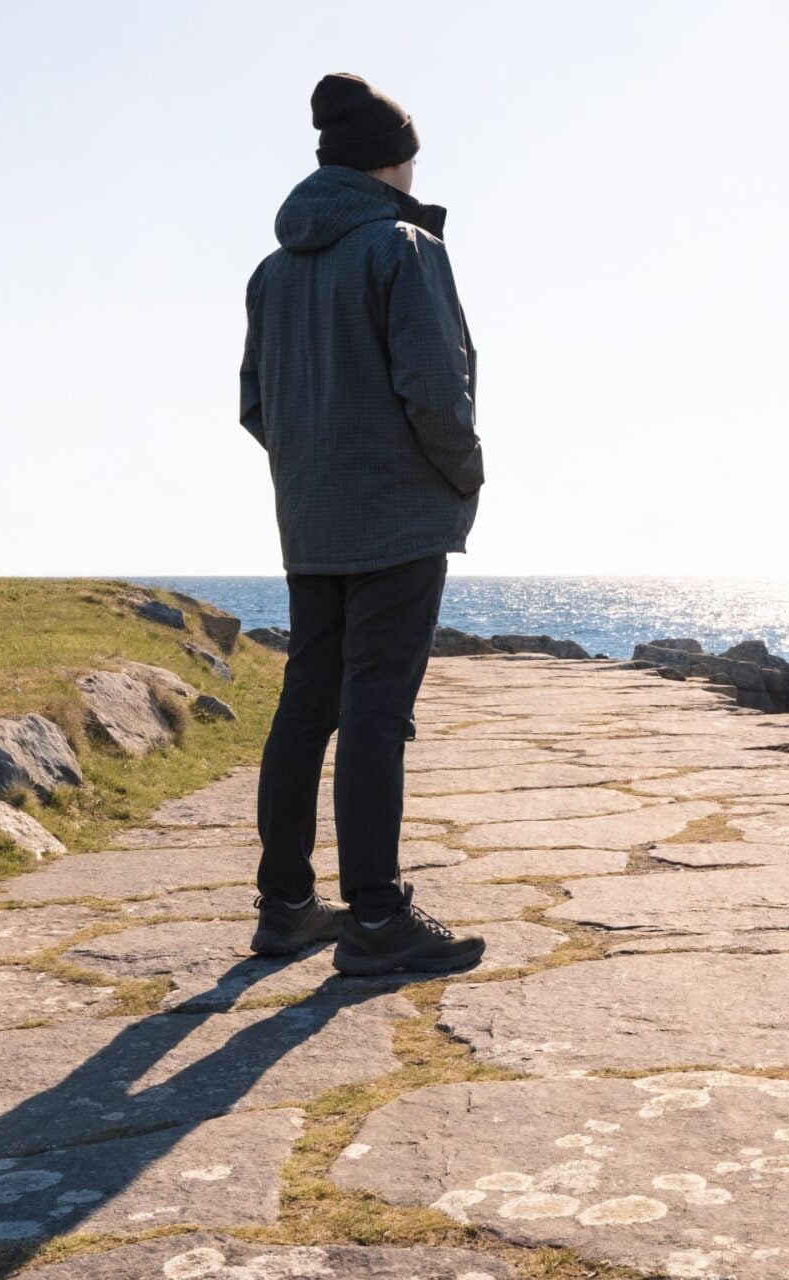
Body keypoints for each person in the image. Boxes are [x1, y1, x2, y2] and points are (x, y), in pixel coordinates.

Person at [237, 72, 484, 975]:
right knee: (378, 715)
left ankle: (287, 907)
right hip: (396, 520)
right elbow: (437, 396)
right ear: (397, 158)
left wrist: (312, 475)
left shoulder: (272, 272)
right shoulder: (403, 247)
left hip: (311, 521)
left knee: (308, 707)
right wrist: (461, 479)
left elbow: (256, 403)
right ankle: (377, 919)